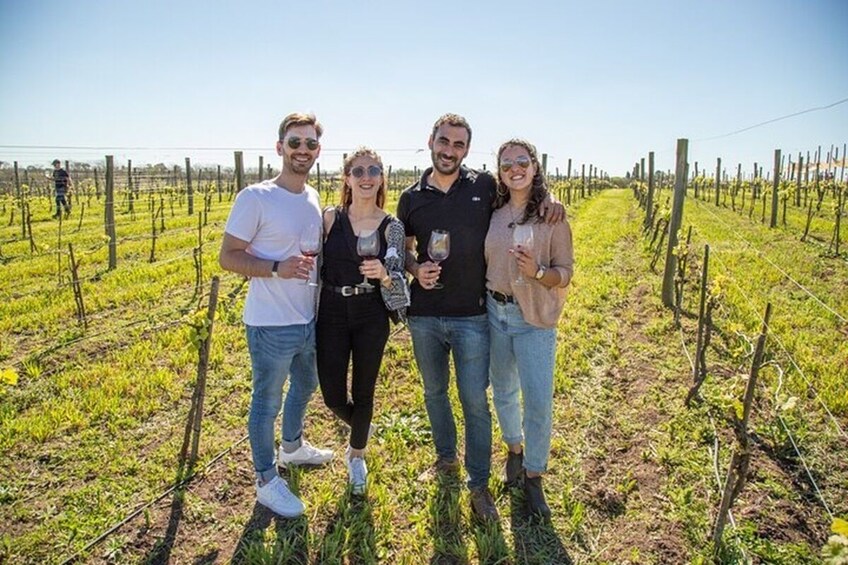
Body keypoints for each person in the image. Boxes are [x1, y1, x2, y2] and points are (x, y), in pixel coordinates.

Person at [397, 114, 563, 521]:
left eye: (458, 144)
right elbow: (400, 247)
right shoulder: (410, 197)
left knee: (475, 401)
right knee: (435, 393)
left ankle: (479, 485)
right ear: (431, 141)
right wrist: (416, 270)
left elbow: (521, 194)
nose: (449, 150)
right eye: (443, 141)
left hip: (473, 316)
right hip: (424, 317)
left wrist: (552, 199)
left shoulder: (484, 186)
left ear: (467, 150)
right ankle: (446, 460)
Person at [218, 112, 333, 518]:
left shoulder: (314, 198)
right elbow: (227, 257)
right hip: (270, 324)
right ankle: (267, 480)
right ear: (279, 147)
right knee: (266, 401)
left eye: (310, 144)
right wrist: (274, 268)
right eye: (295, 142)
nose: (302, 150)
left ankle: (293, 447)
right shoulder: (255, 197)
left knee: (306, 384)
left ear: (318, 151)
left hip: (308, 319)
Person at [485, 139, 573, 519]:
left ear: (535, 167)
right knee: (503, 391)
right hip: (493, 312)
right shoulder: (493, 211)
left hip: (533, 319)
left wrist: (537, 272)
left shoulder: (551, 217)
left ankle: (535, 473)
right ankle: (514, 450)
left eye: (522, 161)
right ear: (500, 172)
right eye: (507, 164)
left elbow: (565, 273)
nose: (515, 168)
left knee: (537, 401)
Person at [316, 147, 408, 495]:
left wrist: (384, 275)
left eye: (374, 170)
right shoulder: (328, 219)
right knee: (332, 396)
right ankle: (361, 426)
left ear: (382, 177)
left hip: (370, 312)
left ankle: (357, 456)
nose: (366, 177)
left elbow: (399, 279)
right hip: (331, 310)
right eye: (359, 171)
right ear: (347, 178)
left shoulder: (392, 226)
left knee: (364, 390)